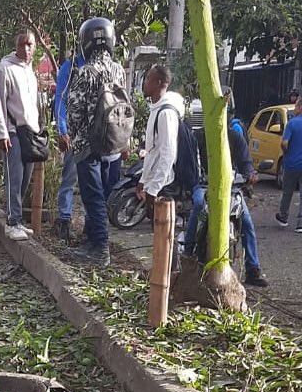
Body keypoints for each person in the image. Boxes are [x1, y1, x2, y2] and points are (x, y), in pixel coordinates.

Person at [184, 87, 269, 288]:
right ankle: (187, 252)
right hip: (203, 186)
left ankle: (253, 268)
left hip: (231, 188)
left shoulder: (235, 137)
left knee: (247, 223)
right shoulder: (199, 137)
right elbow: (193, 165)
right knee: (197, 205)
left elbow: (245, 162)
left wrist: (250, 175)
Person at [65, 17, 126, 265]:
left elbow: (75, 112)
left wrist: (74, 133)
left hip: (88, 146)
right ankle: (92, 241)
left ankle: (100, 249)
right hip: (112, 143)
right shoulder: (119, 70)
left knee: (93, 198)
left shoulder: (85, 73)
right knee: (102, 194)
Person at [0, 30, 40, 241]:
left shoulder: (30, 71)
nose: (26, 49)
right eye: (22, 44)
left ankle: (18, 219)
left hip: (30, 132)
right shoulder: (4, 69)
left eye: (30, 45)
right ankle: (12, 222)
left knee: (24, 180)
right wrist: (2, 133)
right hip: (13, 131)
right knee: (14, 177)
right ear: (16, 46)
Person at [136, 64, 184, 207]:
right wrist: (144, 180)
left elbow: (168, 153)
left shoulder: (165, 113)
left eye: (148, 79)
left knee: (162, 228)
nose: (144, 83)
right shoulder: (156, 109)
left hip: (165, 184)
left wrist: (155, 189)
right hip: (155, 182)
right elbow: (152, 151)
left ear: (158, 83)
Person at [276, 96, 302, 235]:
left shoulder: (292, 123)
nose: (295, 109)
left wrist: (286, 153)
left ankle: (283, 217)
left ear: (301, 107)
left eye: (296, 106)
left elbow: (284, 143)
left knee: (287, 192)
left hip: (291, 164)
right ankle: (301, 224)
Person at [54, 52, 79, 241]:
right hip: (75, 132)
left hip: (99, 135)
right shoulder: (71, 67)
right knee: (69, 178)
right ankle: (64, 219)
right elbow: (61, 98)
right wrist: (62, 129)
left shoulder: (107, 64)